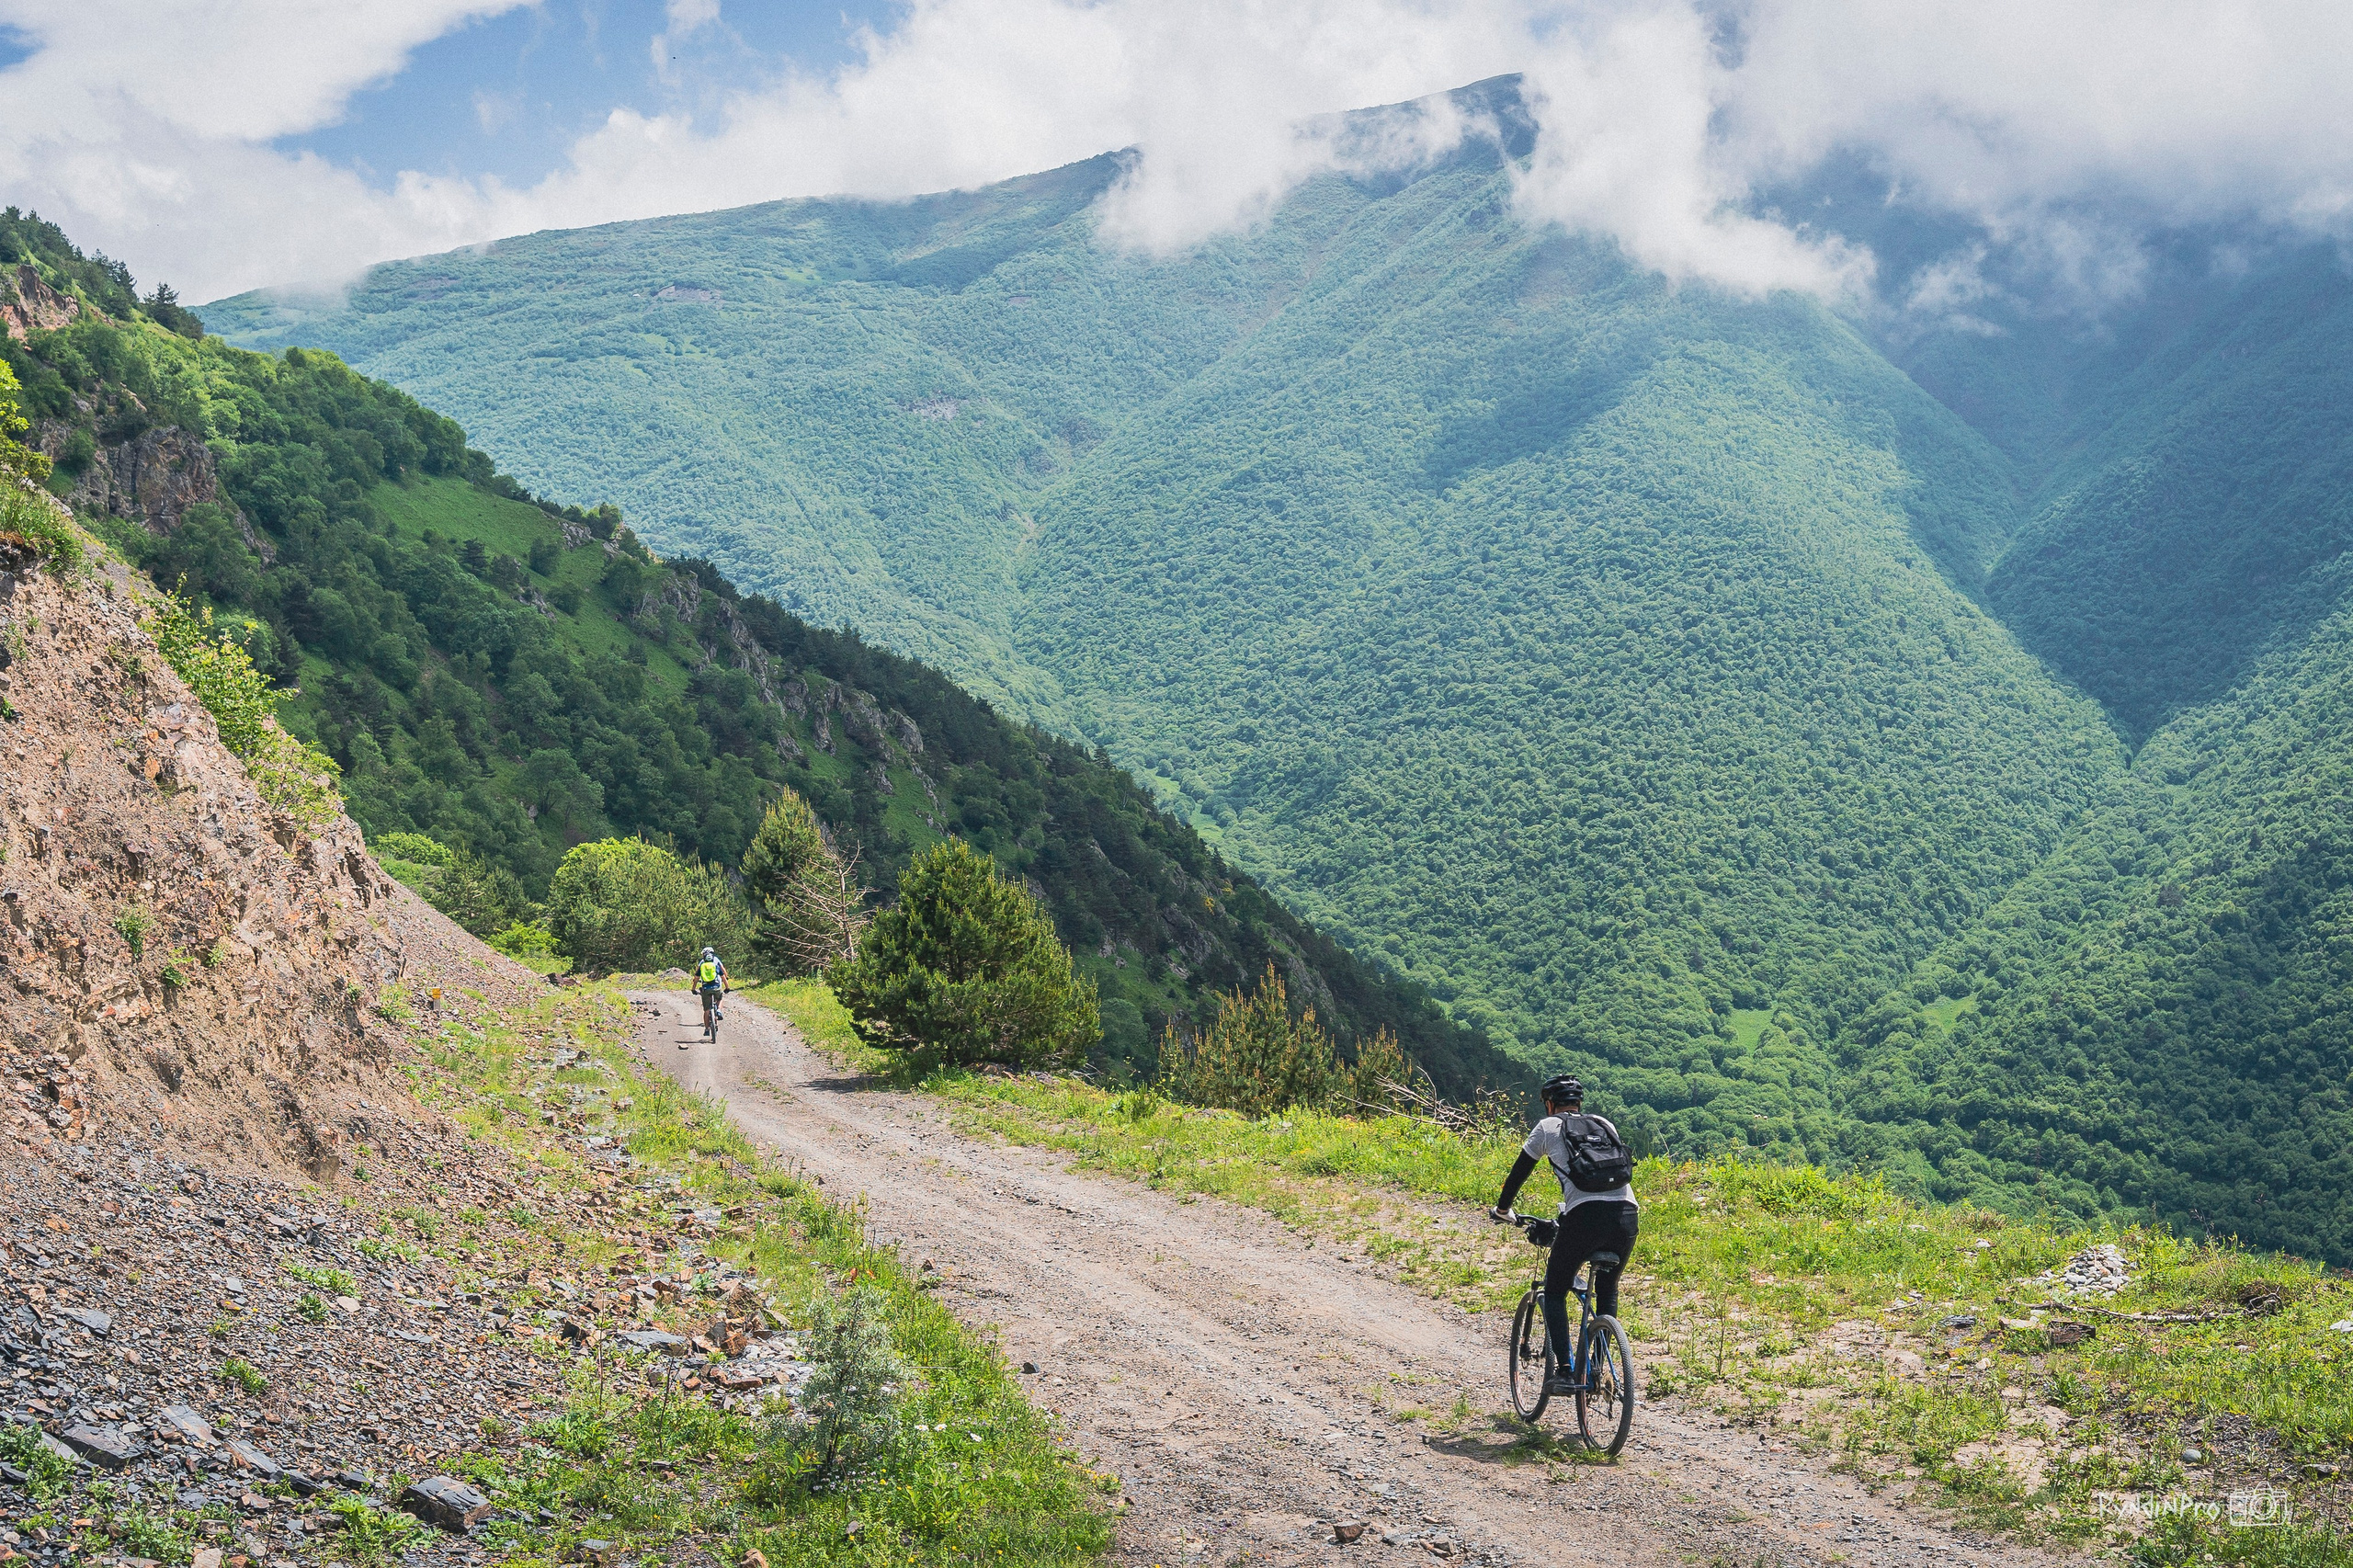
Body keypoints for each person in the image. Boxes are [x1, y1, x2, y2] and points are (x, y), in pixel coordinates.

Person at [1491, 1074, 1638, 1392]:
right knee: (1608, 1288)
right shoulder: (1603, 1123)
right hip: (1626, 1215)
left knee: (1555, 1289)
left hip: (1584, 1217)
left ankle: (1566, 1370)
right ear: (1579, 1104)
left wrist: (1504, 1210)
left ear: (1549, 1104)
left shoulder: (1546, 1127)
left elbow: (1518, 1174)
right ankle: (1599, 1369)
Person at [695, 947, 728, 1022]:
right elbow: (722, 968)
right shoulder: (716, 959)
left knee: (707, 999)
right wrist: (726, 977)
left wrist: (695, 979)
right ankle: (718, 1010)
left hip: (705, 983)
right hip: (717, 982)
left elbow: (697, 970)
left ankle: (710, 1016)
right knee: (719, 997)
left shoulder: (703, 961)